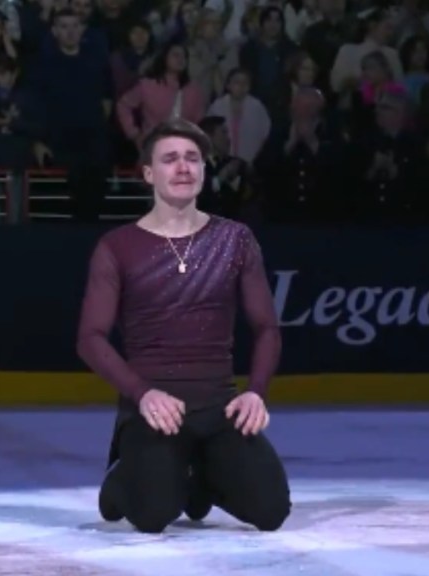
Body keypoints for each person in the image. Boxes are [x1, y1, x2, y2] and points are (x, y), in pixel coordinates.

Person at [76, 118, 292, 534]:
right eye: (170, 159)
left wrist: (256, 394)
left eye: (193, 159)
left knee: (271, 511)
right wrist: (141, 394)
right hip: (154, 411)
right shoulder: (118, 246)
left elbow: (267, 327)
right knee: (154, 515)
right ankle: (123, 476)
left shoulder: (235, 239)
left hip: (218, 407)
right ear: (148, 173)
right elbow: (90, 338)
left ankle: (196, 478)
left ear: (204, 170)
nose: (183, 168)